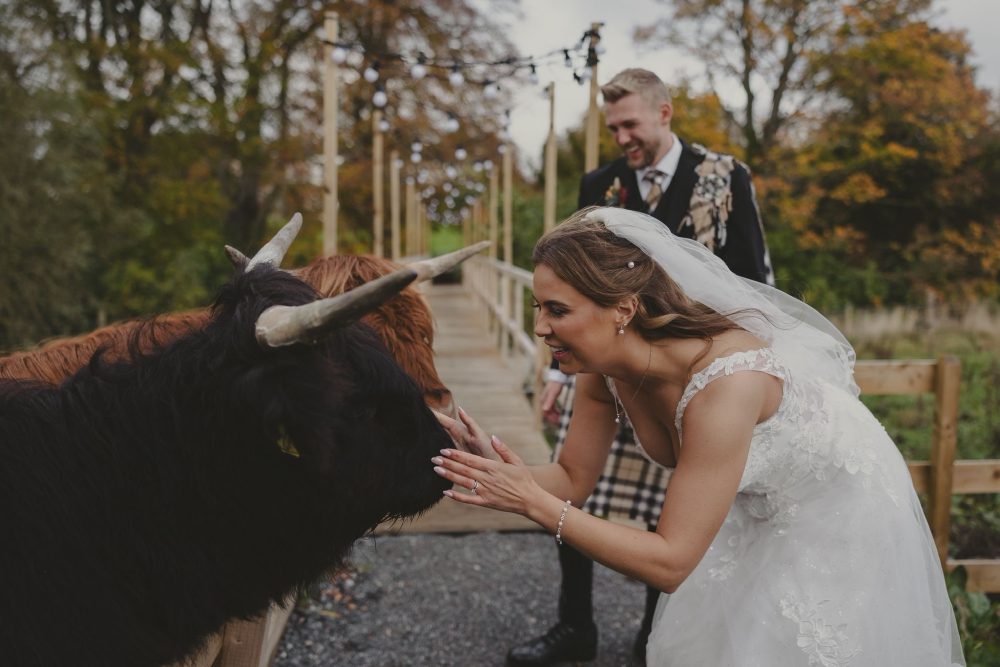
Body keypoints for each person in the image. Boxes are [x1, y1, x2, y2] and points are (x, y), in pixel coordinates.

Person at [433, 207, 964, 667]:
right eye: (537, 308)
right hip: (751, 502)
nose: (541, 328)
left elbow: (671, 562)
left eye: (557, 309)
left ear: (622, 310)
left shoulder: (727, 384)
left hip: (840, 508)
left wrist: (535, 506)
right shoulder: (602, 371)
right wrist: (500, 472)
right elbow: (572, 478)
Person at [531, 66, 774, 666]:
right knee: (578, 485)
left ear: (663, 114)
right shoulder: (602, 183)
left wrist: (726, 354)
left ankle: (652, 638)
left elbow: (756, 275)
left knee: (672, 508)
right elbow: (574, 283)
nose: (621, 138)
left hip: (689, 368)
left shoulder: (723, 176)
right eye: (612, 127)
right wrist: (564, 372)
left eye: (630, 124)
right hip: (610, 362)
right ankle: (574, 627)